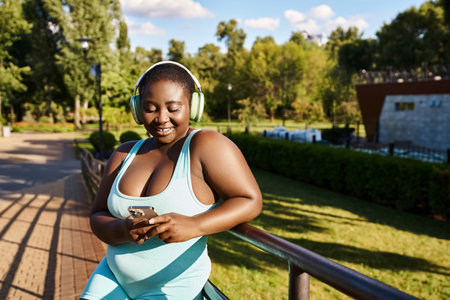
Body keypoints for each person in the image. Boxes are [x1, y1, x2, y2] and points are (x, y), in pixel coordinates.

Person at [81, 61, 263, 300]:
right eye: (150, 108)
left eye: (173, 108)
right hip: (112, 275)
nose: (161, 118)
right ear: (137, 109)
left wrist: (195, 225)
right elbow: (98, 215)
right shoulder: (124, 153)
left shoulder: (206, 145)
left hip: (170, 288)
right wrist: (123, 229)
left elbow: (250, 200)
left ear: (193, 107)